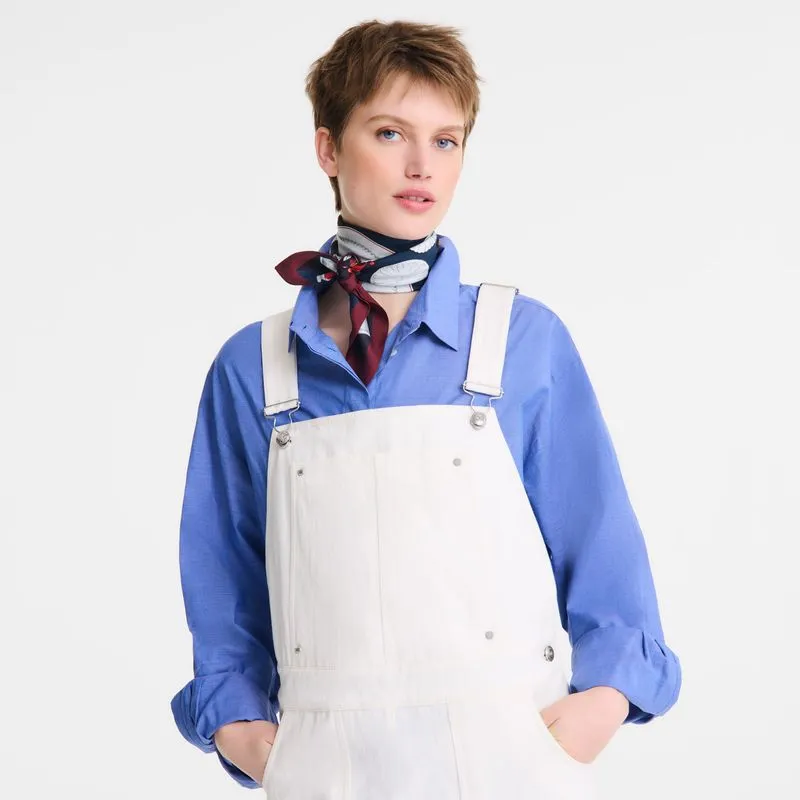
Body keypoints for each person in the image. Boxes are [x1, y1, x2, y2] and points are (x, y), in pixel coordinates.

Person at [170, 18, 681, 798]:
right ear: (328, 149)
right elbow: (224, 569)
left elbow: (599, 537)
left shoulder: (518, 340)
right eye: (390, 133)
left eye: (446, 141)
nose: (421, 165)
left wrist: (601, 704)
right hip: (327, 770)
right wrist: (241, 727)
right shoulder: (259, 366)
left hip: (512, 762)